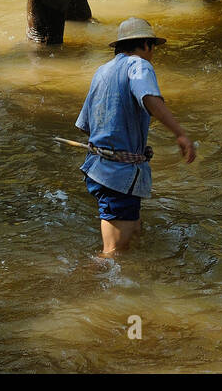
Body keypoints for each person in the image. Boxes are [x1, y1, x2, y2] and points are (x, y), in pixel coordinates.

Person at [75, 17, 196, 256]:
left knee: (136, 234)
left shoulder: (102, 71)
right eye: (153, 46)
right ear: (145, 45)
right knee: (112, 254)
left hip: (98, 170)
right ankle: (83, 284)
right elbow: (149, 99)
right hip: (117, 176)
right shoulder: (139, 66)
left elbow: (86, 124)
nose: (153, 53)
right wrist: (180, 134)